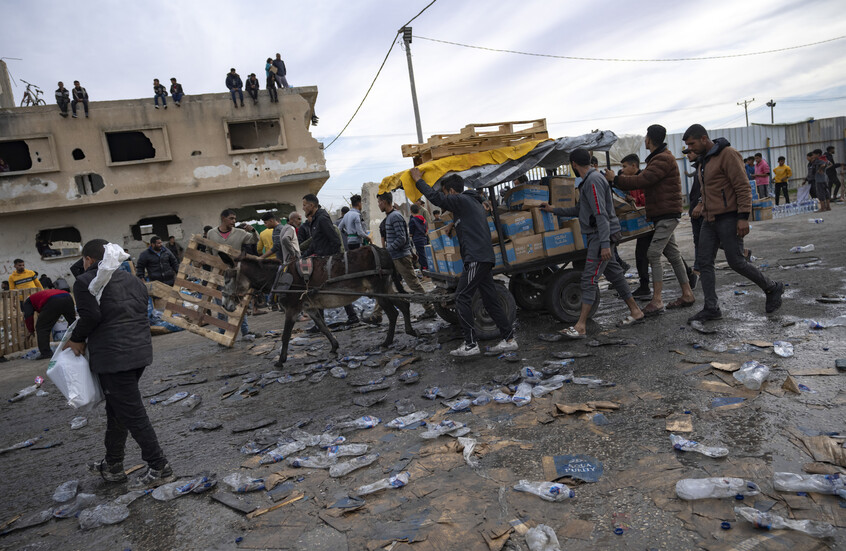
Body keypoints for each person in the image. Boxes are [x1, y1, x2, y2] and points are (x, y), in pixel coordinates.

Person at [67, 239, 175, 488]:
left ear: (89, 260)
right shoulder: (133, 280)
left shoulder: (84, 283)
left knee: (133, 413)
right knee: (117, 410)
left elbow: (91, 315)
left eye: (84, 260)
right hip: (138, 354)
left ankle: (160, 466)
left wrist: (76, 339)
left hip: (114, 358)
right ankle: (113, 464)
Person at [682, 124, 784, 321]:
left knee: (736, 261)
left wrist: (743, 217)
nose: (690, 149)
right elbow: (708, 189)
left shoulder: (728, 154)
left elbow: (742, 186)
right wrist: (702, 203)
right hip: (709, 219)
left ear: (704, 139)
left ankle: (772, 288)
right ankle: (711, 308)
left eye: (692, 144)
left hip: (729, 217)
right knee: (704, 263)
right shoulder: (705, 160)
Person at [540, 149, 644, 338]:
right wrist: (553, 209)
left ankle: (580, 326)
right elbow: (580, 210)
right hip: (601, 235)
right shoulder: (589, 181)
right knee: (615, 274)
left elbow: (600, 214)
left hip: (601, 236)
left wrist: (604, 244)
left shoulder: (593, 181)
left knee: (589, 279)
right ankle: (636, 311)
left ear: (573, 164)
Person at [412, 168, 516, 355]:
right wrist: (453, 223)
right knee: (491, 300)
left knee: (461, 297)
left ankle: (470, 344)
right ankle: (509, 339)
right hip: (482, 257)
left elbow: (436, 199)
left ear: (451, 191)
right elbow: (466, 220)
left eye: (446, 194)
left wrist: (419, 181)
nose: (447, 201)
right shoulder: (470, 204)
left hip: (477, 257)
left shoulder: (461, 200)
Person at [607, 124, 695, 314]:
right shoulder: (659, 158)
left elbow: (642, 180)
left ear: (649, 140)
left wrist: (616, 179)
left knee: (653, 254)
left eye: (646, 137)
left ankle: (657, 300)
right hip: (662, 214)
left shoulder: (662, 159)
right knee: (673, 255)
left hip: (667, 214)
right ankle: (687, 293)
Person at [301, 195, 360, 326]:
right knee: (319, 291)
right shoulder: (315, 220)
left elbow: (335, 240)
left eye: (305, 205)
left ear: (312, 205)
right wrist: (303, 255)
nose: (303, 208)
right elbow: (315, 243)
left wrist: (330, 261)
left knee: (327, 290)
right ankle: (324, 323)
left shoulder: (322, 218)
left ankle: (351, 317)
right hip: (321, 261)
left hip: (328, 262)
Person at [378, 191, 437, 321]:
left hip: (400, 257)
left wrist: (387, 250)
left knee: (414, 284)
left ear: (385, 202)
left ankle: (430, 308)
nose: (378, 205)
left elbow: (402, 238)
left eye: (379, 202)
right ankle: (376, 314)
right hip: (395, 256)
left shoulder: (394, 217)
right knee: (385, 284)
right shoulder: (390, 217)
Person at [207, 209, 259, 339]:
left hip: (236, 274)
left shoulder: (240, 233)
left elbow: (254, 240)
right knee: (221, 304)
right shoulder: (211, 233)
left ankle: (245, 331)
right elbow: (208, 250)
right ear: (223, 218)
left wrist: (252, 230)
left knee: (239, 303)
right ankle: (222, 334)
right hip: (219, 274)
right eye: (231, 218)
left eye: (235, 219)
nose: (234, 221)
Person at [618, 154, 651, 298]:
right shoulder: (632, 181)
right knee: (669, 252)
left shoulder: (644, 178)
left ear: (633, 165)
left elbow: (649, 195)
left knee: (642, 255)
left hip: (650, 220)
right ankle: (688, 274)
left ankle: (645, 287)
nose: (623, 170)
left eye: (624, 166)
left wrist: (635, 199)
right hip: (644, 221)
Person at [23, 288, 76, 360]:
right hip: (67, 296)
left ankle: (46, 353)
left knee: (42, 328)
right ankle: (80, 342)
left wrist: (31, 330)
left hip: (52, 300)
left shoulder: (27, 302)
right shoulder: (38, 296)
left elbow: (28, 316)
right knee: (73, 323)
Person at [684, 148, 703, 284]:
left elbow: (708, 187)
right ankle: (742, 252)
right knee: (699, 241)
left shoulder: (705, 167)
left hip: (702, 211)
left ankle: (697, 270)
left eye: (691, 151)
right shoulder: (698, 168)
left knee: (704, 241)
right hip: (695, 211)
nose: (688, 155)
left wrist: (700, 203)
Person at [409, 203, 429, 270]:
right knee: (425, 254)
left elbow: (411, 233)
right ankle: (427, 269)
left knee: (421, 255)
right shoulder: (424, 220)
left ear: (411, 211)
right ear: (419, 211)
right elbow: (426, 230)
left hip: (417, 240)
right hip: (424, 239)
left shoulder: (412, 221)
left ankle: (425, 272)